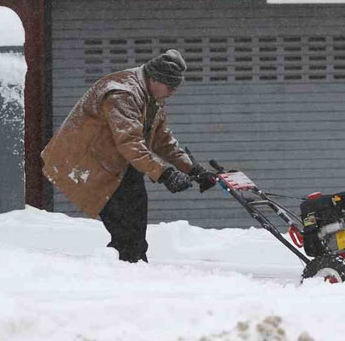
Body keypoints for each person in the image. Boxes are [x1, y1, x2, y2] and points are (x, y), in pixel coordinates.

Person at [41, 49, 215, 263]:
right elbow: (130, 142)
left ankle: (131, 268)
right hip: (89, 163)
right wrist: (165, 174)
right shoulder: (122, 94)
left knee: (135, 223)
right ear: (154, 79)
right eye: (170, 87)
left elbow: (163, 141)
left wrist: (193, 169)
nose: (172, 92)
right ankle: (122, 273)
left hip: (117, 163)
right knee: (126, 232)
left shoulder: (151, 97)